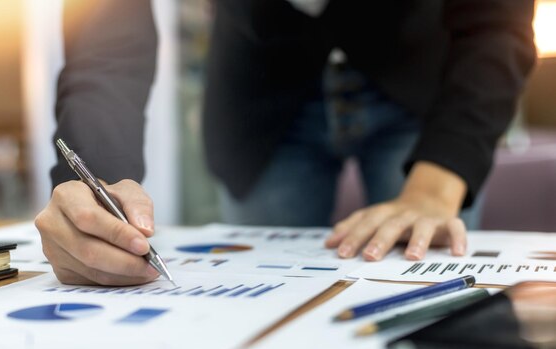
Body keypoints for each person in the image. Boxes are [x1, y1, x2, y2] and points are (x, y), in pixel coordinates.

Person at [35, 0, 536, 286]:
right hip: (260, 94)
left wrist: (439, 179)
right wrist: (94, 182)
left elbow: (499, 23)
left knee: (427, 289)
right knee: (266, 304)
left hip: (427, 86)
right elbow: (108, 29)